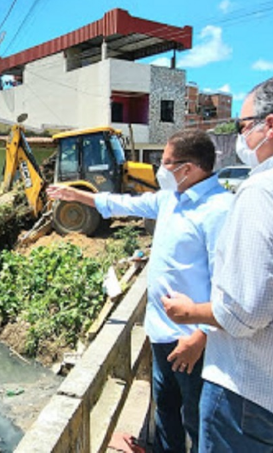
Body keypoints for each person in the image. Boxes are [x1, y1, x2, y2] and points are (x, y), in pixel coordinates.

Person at [162, 75, 273, 452]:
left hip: (252, 394)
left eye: (244, 126)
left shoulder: (267, 189)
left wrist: (191, 311)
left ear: (269, 125)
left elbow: (245, 312)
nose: (241, 138)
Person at [47, 130, 233, 453]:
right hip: (161, 332)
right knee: (166, 413)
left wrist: (201, 335)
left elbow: (228, 282)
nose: (161, 170)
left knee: (199, 420)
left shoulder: (219, 210)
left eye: (166, 163)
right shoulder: (169, 199)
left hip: (193, 341)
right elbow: (124, 203)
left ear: (188, 168)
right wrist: (77, 196)